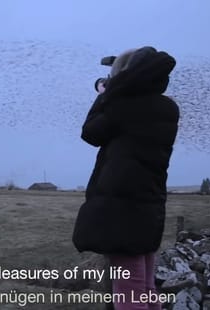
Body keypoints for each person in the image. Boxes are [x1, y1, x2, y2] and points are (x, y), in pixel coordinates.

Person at [72, 46, 179, 310]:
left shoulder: (122, 105)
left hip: (122, 210)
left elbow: (90, 133)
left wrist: (105, 94)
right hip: (149, 206)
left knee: (129, 292)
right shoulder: (168, 108)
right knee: (144, 287)